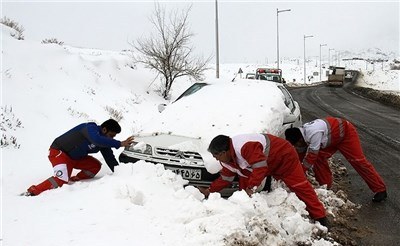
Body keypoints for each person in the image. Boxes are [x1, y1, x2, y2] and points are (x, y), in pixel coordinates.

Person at [198, 133, 328, 226]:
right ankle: (248, 218)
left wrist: (252, 187)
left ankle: (320, 217)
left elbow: (260, 166)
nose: (215, 159)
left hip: (283, 157)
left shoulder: (244, 146)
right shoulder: (226, 160)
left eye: (216, 155)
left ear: (224, 152)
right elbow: (226, 178)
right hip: (265, 164)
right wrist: (210, 190)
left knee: (299, 186)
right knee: (243, 189)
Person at [284, 117, 387, 202]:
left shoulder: (313, 133)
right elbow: (300, 154)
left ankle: (380, 189)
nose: (297, 146)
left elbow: (311, 157)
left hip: (346, 134)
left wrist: (300, 172)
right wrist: (294, 169)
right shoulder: (301, 135)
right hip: (332, 139)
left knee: (358, 161)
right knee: (320, 159)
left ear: (300, 139)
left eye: (297, 144)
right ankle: (326, 187)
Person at [24, 119, 134, 196]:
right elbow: (96, 139)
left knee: (95, 166)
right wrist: (119, 143)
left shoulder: (104, 142)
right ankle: (34, 191)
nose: (111, 139)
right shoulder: (89, 128)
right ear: (104, 130)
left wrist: (120, 173)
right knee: (60, 180)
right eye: (111, 136)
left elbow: (110, 158)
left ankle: (74, 179)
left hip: (75, 159)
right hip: (59, 153)